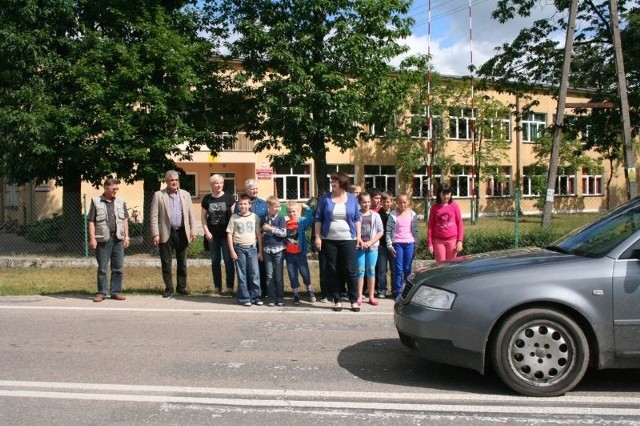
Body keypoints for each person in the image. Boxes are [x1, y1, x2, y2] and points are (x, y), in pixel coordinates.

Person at [314, 171, 362, 312]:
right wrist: (318, 237)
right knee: (333, 269)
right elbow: (318, 218)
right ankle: (337, 300)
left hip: (348, 239)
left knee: (350, 269)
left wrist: (358, 236)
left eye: (335, 181)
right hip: (329, 240)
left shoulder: (352, 198)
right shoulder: (325, 198)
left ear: (342, 183)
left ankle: (353, 300)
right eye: (332, 181)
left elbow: (357, 218)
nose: (332, 183)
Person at [150, 170, 197, 298]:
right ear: (166, 182)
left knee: (182, 262)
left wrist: (193, 231)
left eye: (176, 180)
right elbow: (154, 216)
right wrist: (155, 234)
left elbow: (191, 214)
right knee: (166, 262)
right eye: (171, 180)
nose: (174, 182)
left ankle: (181, 287)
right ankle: (169, 288)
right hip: (166, 232)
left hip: (182, 232)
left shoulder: (185, 194)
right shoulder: (159, 195)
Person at [88, 178, 130, 302]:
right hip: (103, 240)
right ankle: (101, 293)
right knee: (102, 268)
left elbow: (125, 220)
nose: (115, 191)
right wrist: (92, 238)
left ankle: (115, 292)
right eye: (113, 189)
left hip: (118, 239)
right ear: (106, 188)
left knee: (118, 267)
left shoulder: (120, 201)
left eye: (117, 189)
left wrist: (127, 236)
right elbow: (91, 221)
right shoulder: (96, 201)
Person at [201, 174, 236, 295]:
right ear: (211, 185)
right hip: (212, 236)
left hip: (226, 236)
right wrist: (207, 232)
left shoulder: (229, 198)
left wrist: (231, 233)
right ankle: (217, 287)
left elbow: (234, 218)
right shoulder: (207, 199)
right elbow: (203, 218)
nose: (219, 185)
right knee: (215, 261)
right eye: (216, 183)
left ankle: (230, 287)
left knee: (228, 261)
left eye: (221, 182)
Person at [227, 193, 263, 306]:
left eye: (245, 204)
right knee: (242, 274)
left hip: (252, 248)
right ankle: (244, 298)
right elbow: (229, 234)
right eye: (241, 204)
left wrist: (260, 251)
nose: (243, 206)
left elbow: (258, 234)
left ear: (249, 205)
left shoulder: (254, 217)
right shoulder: (234, 217)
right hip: (239, 249)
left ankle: (256, 297)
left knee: (254, 273)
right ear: (238, 205)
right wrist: (232, 251)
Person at [236, 179, 268, 297]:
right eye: (252, 188)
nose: (254, 191)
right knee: (246, 267)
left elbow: (266, 220)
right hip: (245, 240)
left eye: (256, 188)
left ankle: (262, 290)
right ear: (246, 190)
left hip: (260, 239)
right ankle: (247, 291)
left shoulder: (263, 204)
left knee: (260, 265)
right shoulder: (240, 204)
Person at [386, 193, 418, 302]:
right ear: (396, 202)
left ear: (408, 202)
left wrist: (416, 245)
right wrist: (390, 245)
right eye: (400, 202)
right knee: (398, 269)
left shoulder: (413, 215)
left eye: (404, 202)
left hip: (409, 243)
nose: (402, 205)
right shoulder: (393, 215)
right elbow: (389, 231)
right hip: (397, 244)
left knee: (407, 269)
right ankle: (398, 292)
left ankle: (407, 292)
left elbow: (416, 232)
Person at [356, 192, 384, 306]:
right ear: (359, 203)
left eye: (368, 202)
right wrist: (361, 242)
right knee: (360, 271)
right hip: (359, 247)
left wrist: (370, 242)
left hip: (372, 248)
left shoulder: (376, 215)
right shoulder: (356, 215)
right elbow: (353, 231)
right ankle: (359, 296)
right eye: (364, 202)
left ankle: (371, 296)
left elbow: (380, 231)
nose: (367, 204)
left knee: (371, 271)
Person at [284, 201, 315, 304]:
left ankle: (309, 290)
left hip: (300, 254)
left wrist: (307, 207)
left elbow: (310, 218)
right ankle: (296, 294)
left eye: (294, 211)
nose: (291, 214)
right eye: (289, 212)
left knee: (305, 274)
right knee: (292, 275)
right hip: (289, 255)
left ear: (298, 211)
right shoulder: (286, 223)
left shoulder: (301, 222)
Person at [428, 183, 464, 262]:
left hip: (452, 241)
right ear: (439, 194)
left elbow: (460, 224)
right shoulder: (434, 208)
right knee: (441, 266)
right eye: (443, 194)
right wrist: (430, 243)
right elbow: (431, 226)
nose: (446, 196)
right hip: (438, 241)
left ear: (451, 194)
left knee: (451, 266)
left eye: (448, 194)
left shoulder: (454, 206)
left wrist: (460, 241)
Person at [261, 196, 286, 306]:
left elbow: (284, 233)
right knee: (269, 275)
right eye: (275, 206)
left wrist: (270, 229)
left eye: (278, 206)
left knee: (279, 276)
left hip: (278, 250)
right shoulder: (264, 218)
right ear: (268, 206)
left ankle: (280, 298)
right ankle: (271, 298)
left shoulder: (281, 218)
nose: (277, 208)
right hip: (267, 250)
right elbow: (261, 234)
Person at [376, 192, 395, 298]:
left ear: (392, 202)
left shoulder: (395, 214)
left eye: (388, 201)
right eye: (384, 201)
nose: (386, 203)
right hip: (382, 246)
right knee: (382, 269)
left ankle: (395, 289)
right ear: (381, 203)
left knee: (394, 269)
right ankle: (382, 289)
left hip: (393, 246)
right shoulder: (378, 214)